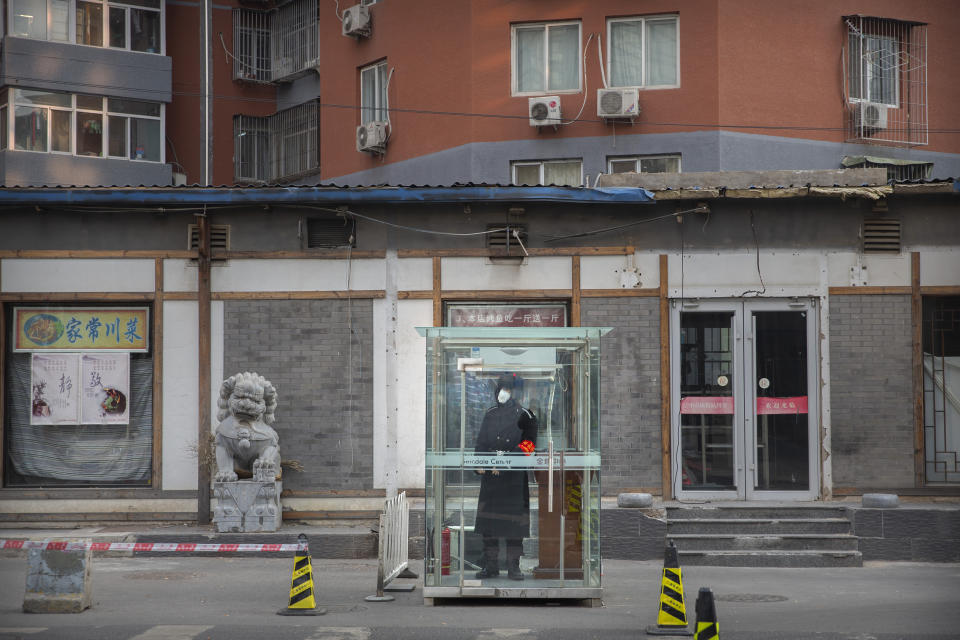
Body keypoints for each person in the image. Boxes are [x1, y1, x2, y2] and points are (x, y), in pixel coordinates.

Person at [473, 373, 538, 580]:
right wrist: (480, 464)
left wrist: (505, 464)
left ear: (514, 392)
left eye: (508, 389)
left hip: (513, 481)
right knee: (489, 526)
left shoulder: (526, 415)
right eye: (501, 388)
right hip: (491, 479)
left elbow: (529, 447)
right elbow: (481, 443)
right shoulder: (490, 414)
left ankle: (514, 566)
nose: (503, 393)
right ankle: (490, 566)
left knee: (514, 526)